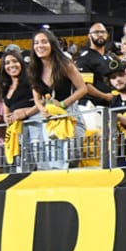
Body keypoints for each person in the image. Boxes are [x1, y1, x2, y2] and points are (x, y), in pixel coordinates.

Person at [28, 29, 88, 169]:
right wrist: (42, 109)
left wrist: (62, 104)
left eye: (44, 42)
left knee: (71, 159)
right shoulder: (34, 70)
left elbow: (83, 89)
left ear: (52, 44)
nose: (40, 45)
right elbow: (36, 97)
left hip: (70, 116)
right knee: (54, 163)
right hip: (49, 120)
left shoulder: (65, 65)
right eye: (36, 43)